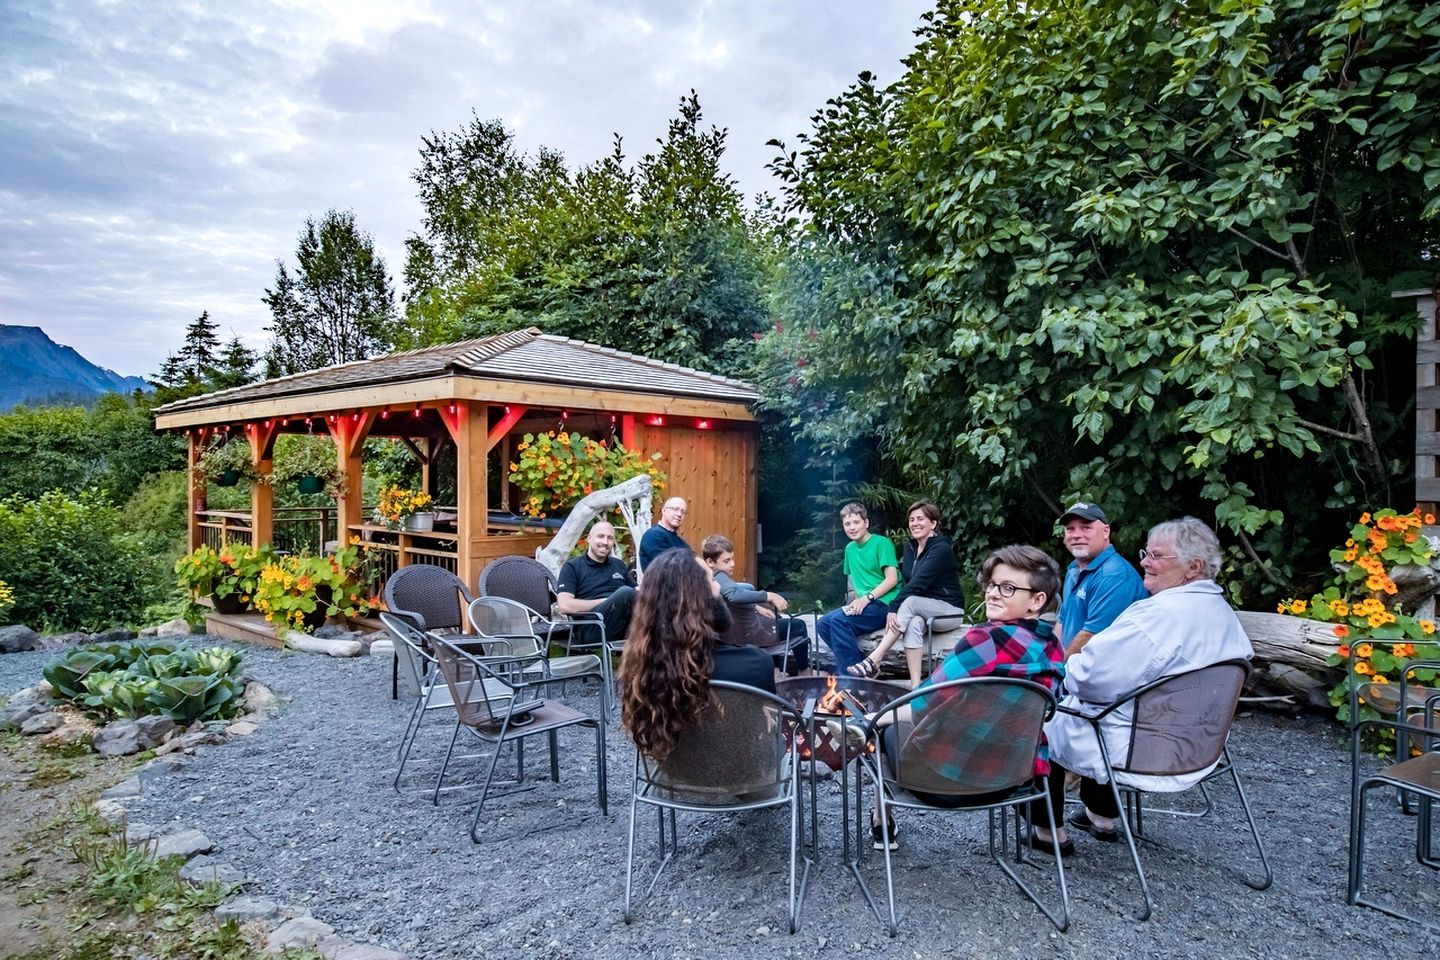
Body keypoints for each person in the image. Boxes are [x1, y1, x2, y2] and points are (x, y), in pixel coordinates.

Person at [1031, 517, 1253, 857]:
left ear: (1193, 567)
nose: (1145, 562)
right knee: (1110, 705)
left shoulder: (1156, 617)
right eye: (1145, 553)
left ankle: (1048, 831)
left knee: (1038, 714)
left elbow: (1089, 679)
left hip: (1141, 750)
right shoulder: (1222, 614)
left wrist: (1055, 670)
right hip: (1198, 748)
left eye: (1156, 556)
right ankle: (1102, 816)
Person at [869, 545, 1064, 850]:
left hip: (944, 782)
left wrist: (873, 719)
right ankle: (1051, 833)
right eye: (992, 585)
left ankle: (882, 822)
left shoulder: (984, 640)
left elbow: (922, 703)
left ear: (1037, 600)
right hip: (1013, 779)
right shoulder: (1052, 646)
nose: (993, 594)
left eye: (1008, 588)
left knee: (885, 729)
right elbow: (1050, 708)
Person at [619, 549, 772, 762]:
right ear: (699, 597)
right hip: (744, 772)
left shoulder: (643, 666)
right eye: (712, 580)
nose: (719, 586)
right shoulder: (755, 662)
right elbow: (764, 727)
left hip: (674, 771)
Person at [848, 501, 967, 688]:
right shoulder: (910, 548)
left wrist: (893, 607)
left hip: (949, 611)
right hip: (923, 610)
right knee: (913, 624)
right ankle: (915, 687)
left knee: (910, 601)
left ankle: (875, 658)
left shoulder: (941, 549)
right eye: (912, 520)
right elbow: (907, 582)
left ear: (933, 523)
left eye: (920, 519)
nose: (915, 523)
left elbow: (918, 584)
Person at [701, 533, 811, 675]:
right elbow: (734, 595)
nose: (732, 563)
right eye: (727, 561)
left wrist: (756, 607)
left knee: (774, 618)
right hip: (749, 635)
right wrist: (768, 595)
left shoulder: (711, 579)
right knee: (798, 625)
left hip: (737, 633)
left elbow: (730, 599)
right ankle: (804, 670)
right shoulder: (720, 577)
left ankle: (775, 669)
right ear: (710, 562)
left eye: (732, 558)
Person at [815, 503, 902, 675]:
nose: (852, 527)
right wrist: (855, 602)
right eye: (847, 524)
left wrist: (866, 598)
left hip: (885, 603)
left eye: (856, 522)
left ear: (866, 523)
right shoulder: (850, 549)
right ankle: (862, 667)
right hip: (865, 603)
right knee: (823, 623)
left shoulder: (881, 543)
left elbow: (892, 579)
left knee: (839, 621)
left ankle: (851, 680)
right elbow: (856, 582)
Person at [1056, 501, 1147, 658]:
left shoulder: (1113, 576)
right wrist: (1048, 657)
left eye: (1086, 527)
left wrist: (1055, 667)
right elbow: (1062, 620)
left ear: (1106, 531)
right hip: (1070, 666)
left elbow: (1090, 637)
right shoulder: (1074, 569)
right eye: (1070, 529)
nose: (1076, 535)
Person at [555, 520, 638, 644]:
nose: (605, 542)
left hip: (623, 622)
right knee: (625, 593)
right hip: (592, 626)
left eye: (610, 538)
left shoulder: (619, 565)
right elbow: (565, 606)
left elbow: (637, 592)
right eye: (600, 536)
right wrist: (608, 601)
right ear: (589, 538)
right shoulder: (572, 567)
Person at [638, 496, 691, 569]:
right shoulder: (653, 535)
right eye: (675, 509)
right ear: (664, 511)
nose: (679, 514)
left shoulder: (682, 542)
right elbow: (666, 567)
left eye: (683, 512)